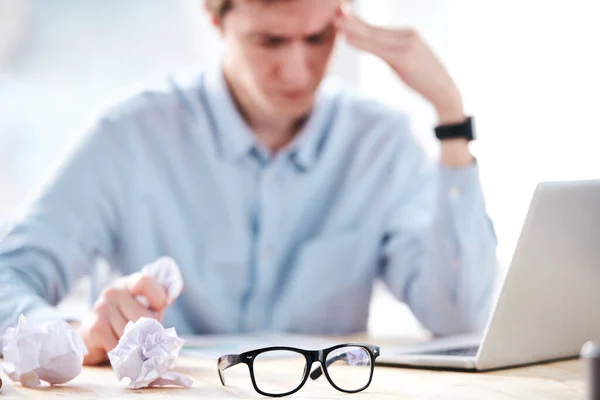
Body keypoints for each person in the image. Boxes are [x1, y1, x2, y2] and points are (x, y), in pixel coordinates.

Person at [0, 0, 498, 365]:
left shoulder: (380, 143)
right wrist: (72, 337)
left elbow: (459, 318)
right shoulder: (130, 135)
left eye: (319, 38)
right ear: (215, 19)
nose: (298, 69)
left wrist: (450, 117)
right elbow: (8, 278)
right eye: (270, 41)